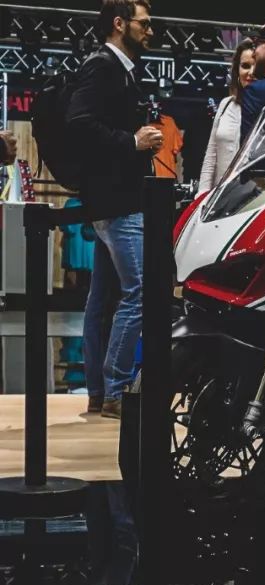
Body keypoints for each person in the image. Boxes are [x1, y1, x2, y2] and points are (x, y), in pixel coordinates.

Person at [66, 0, 161, 418]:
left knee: (102, 298)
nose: (150, 31)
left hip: (112, 201)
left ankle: (98, 390)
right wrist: (132, 142)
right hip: (117, 202)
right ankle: (116, 390)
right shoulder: (103, 66)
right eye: (145, 23)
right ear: (120, 24)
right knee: (140, 293)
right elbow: (79, 123)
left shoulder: (117, 68)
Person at [199, 39, 255, 191]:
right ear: (237, 70)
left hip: (255, 198)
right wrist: (202, 195)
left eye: (256, 66)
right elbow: (211, 157)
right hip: (221, 197)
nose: (250, 72)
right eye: (245, 66)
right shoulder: (226, 104)